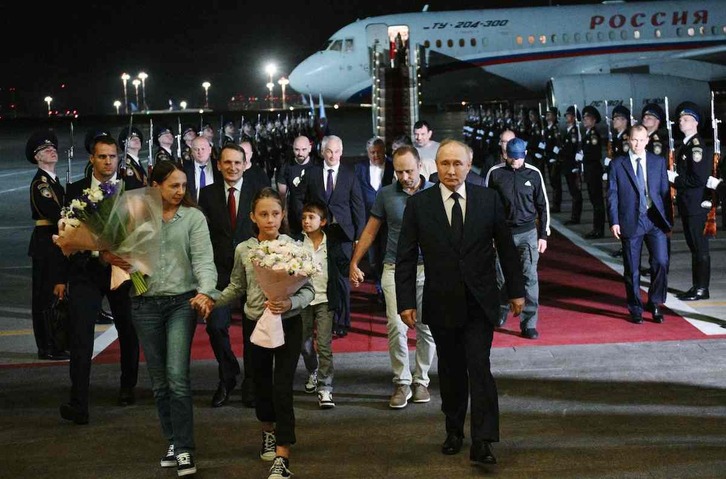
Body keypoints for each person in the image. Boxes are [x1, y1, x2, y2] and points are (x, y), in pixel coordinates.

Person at [395, 139, 525, 466]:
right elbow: (406, 257)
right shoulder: (420, 205)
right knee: (451, 371)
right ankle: (453, 429)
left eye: (457, 164)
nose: (451, 170)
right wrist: (405, 301)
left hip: (481, 302)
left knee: (479, 368)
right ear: (435, 167)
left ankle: (483, 440)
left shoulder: (488, 200)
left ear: (469, 166)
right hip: (441, 302)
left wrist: (516, 290)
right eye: (444, 164)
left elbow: (507, 249)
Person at [210, 187, 315, 479]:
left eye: (276, 214)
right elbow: (237, 286)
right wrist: (212, 301)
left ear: (283, 216)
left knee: (283, 386)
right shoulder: (244, 249)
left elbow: (309, 289)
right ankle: (268, 431)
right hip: (255, 324)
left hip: (288, 324)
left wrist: (290, 301)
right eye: (264, 214)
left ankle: (283, 453)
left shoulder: (294, 247)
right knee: (260, 384)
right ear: (253, 217)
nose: (270, 220)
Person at [126, 161, 215, 476]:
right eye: (173, 185)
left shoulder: (193, 218)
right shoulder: (135, 215)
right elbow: (119, 255)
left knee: (177, 377)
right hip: (143, 304)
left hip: (181, 303)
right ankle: (174, 441)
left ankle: (186, 449)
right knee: (159, 382)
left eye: (183, 185)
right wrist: (108, 255)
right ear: (155, 185)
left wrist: (206, 292)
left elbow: (204, 260)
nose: (181, 191)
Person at [59, 135, 140, 425]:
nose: (108, 161)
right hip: (86, 273)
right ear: (91, 159)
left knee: (128, 329)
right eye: (102, 156)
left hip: (122, 271)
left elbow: (144, 232)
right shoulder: (75, 190)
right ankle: (79, 402)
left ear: (119, 159)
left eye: (113, 156)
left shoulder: (132, 190)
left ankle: (127, 387)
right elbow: (66, 236)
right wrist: (95, 256)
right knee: (81, 336)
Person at [350, 145, 436, 408]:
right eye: (399, 172)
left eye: (409, 170)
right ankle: (401, 381)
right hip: (394, 267)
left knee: (426, 327)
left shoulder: (435, 192)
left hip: (427, 268)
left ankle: (421, 380)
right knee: (395, 325)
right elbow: (370, 231)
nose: (404, 176)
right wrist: (355, 261)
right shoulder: (386, 194)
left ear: (420, 166)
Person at [197, 144, 263, 408]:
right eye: (227, 162)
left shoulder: (257, 193)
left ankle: (252, 383)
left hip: (253, 271)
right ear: (218, 164)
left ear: (245, 164)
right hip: (221, 273)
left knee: (252, 332)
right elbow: (205, 236)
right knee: (215, 326)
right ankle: (228, 375)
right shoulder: (208, 194)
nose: (232, 167)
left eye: (237, 162)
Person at [297, 135, 366, 338]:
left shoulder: (349, 174)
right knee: (320, 276)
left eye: (336, 151)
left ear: (341, 153)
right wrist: (305, 222)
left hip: (342, 233)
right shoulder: (312, 173)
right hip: (318, 233)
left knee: (341, 280)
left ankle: (342, 321)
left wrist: (358, 236)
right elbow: (299, 198)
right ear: (322, 152)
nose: (333, 155)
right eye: (329, 151)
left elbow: (358, 206)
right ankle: (322, 318)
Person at [485, 138, 550, 339]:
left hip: (528, 233)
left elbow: (543, 205)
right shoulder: (495, 173)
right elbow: (486, 206)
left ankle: (529, 323)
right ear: (505, 154)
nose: (516, 162)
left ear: (525, 154)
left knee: (529, 277)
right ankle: (501, 311)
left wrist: (543, 235)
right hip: (502, 234)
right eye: (512, 158)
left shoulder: (534, 174)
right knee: (500, 277)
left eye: (519, 158)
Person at [608, 124, 672, 323]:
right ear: (629, 140)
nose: (638, 143)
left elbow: (664, 193)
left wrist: (668, 222)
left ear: (647, 140)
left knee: (661, 261)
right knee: (632, 269)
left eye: (642, 139)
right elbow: (612, 194)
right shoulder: (618, 164)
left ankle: (654, 302)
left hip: (654, 219)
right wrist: (614, 221)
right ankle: (635, 307)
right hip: (630, 220)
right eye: (634, 139)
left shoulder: (658, 161)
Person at [296, 199, 348, 409]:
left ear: (323, 221)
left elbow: (342, 264)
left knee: (325, 345)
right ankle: (313, 371)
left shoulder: (331, 243)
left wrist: (353, 270)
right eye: (304, 217)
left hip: (325, 299)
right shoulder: (296, 243)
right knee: (304, 343)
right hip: (303, 299)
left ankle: (326, 388)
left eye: (311, 217)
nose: (306, 221)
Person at [26, 130, 69, 360]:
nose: (52, 151)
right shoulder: (40, 184)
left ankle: (58, 341)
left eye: (52, 148)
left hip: (57, 241)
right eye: (45, 150)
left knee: (57, 295)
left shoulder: (54, 181)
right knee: (45, 297)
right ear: (37, 158)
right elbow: (53, 212)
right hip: (46, 243)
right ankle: (47, 346)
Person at [668, 101, 712, 301]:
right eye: (680, 119)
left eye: (685, 119)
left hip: (696, 205)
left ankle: (702, 288)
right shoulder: (685, 145)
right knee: (694, 247)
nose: (681, 122)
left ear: (695, 123)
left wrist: (675, 180)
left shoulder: (696, 148)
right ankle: (698, 286)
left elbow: (698, 179)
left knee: (699, 247)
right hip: (688, 203)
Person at [354, 136, 394, 301]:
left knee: (388, 257)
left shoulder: (393, 166)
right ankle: (379, 286)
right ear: (368, 153)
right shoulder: (359, 169)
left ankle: (386, 291)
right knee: (373, 259)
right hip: (369, 222)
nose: (376, 155)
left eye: (379, 152)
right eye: (372, 152)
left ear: (384, 151)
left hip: (390, 222)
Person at [276, 135, 320, 236]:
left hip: (314, 215)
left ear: (310, 148)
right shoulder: (286, 167)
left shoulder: (317, 165)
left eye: (304, 149)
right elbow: (282, 196)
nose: (300, 153)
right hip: (294, 216)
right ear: (293, 149)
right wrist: (284, 218)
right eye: (297, 149)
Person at [607, 105, 632, 258]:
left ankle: (627, 246)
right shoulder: (618, 137)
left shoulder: (626, 138)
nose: (614, 121)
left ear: (624, 121)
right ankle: (624, 246)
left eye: (617, 119)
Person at [581, 106, 606, 239]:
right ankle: (596, 228)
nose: (584, 120)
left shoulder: (593, 134)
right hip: (590, 171)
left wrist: (583, 156)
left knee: (597, 202)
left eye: (587, 118)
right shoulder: (588, 133)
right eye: (584, 118)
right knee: (594, 201)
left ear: (594, 120)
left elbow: (594, 154)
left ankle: (599, 230)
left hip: (594, 171)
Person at [561, 105, 584, 225]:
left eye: (569, 115)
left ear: (574, 118)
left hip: (573, 166)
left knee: (576, 193)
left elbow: (574, 150)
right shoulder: (569, 131)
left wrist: (577, 165)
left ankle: (576, 217)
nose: (566, 117)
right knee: (573, 192)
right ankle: (574, 216)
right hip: (568, 165)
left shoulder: (575, 132)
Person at [184, 135, 221, 202]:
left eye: (203, 149)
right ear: (191, 152)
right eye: (196, 149)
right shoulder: (185, 170)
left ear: (210, 150)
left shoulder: (219, 167)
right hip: (194, 209)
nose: (200, 152)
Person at [543, 107, 563, 213]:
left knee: (556, 183)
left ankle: (557, 205)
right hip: (548, 158)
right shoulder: (547, 129)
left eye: (550, 114)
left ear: (554, 117)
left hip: (554, 160)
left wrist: (554, 157)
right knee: (552, 182)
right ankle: (555, 204)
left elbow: (558, 144)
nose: (547, 116)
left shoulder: (555, 129)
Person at [117, 126, 147, 190]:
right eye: (132, 139)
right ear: (124, 143)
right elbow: (130, 187)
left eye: (138, 138)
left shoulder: (136, 162)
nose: (136, 140)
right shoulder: (125, 164)